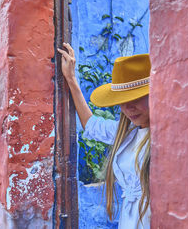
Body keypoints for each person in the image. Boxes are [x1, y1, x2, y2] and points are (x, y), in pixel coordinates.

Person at [57, 43, 151, 229]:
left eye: (137, 98)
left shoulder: (167, 138)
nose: (129, 108)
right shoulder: (126, 132)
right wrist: (71, 79)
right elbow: (91, 125)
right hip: (129, 221)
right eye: (122, 102)